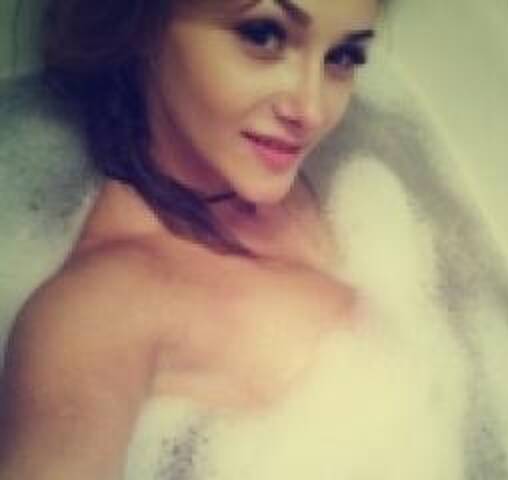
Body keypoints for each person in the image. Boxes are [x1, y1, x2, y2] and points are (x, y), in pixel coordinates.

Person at [0, 1, 386, 478]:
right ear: (142, 25)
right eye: (263, 35)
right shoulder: (97, 314)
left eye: (343, 57)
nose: (312, 111)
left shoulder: (326, 178)